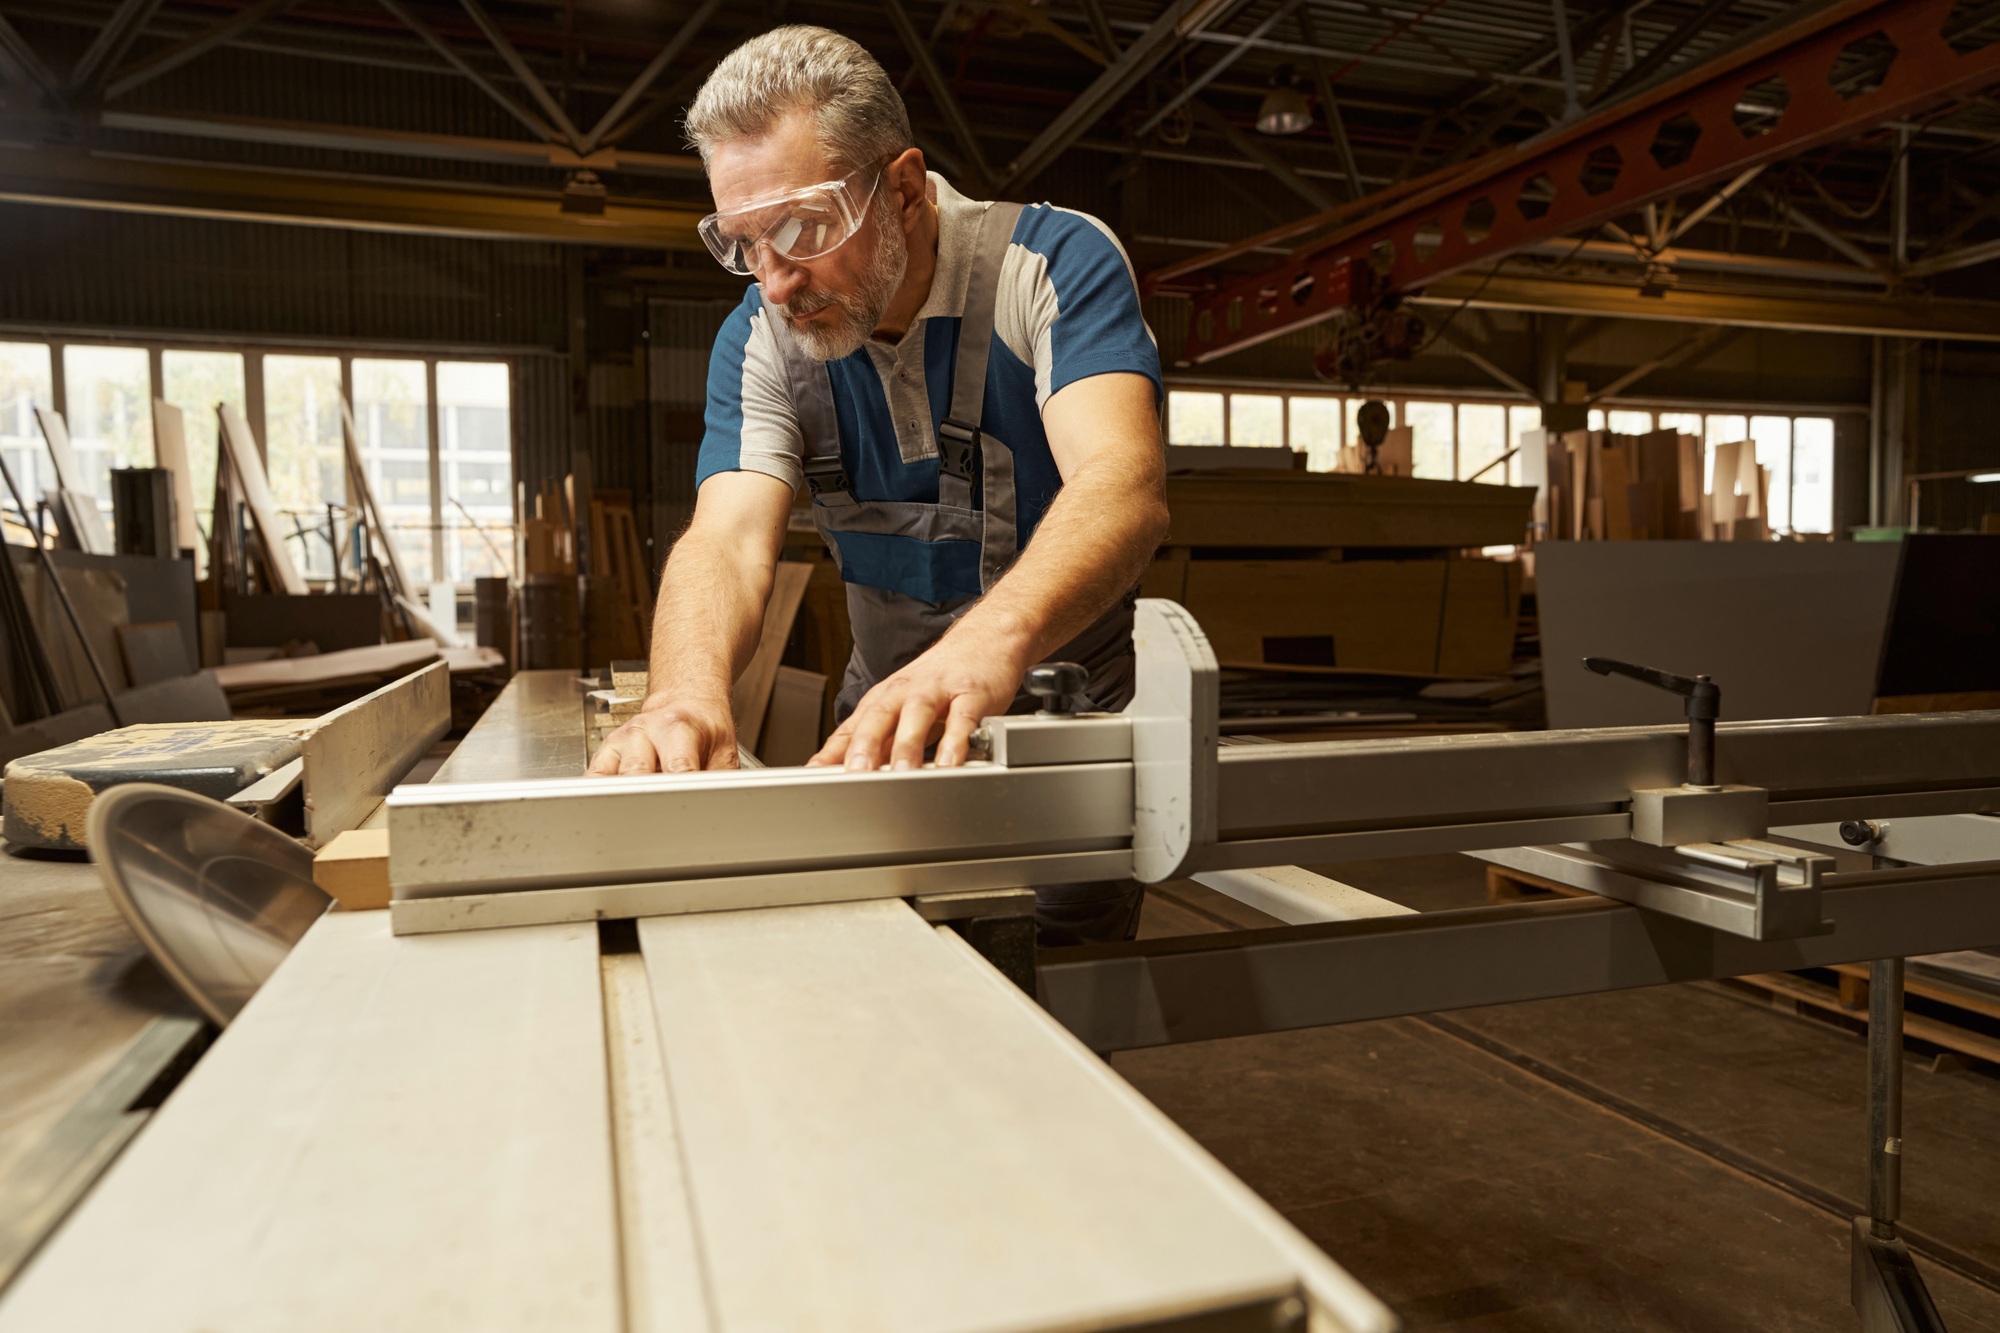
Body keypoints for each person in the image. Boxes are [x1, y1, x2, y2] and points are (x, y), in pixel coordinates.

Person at [587, 25, 1168, 943]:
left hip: (1063, 746)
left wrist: (989, 645)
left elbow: (1122, 483)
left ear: (902, 188)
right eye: (742, 243)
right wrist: (687, 693)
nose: (774, 282)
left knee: (1054, 1013)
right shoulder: (761, 338)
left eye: (801, 229)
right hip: (876, 749)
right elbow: (729, 540)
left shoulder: (1050, 267)